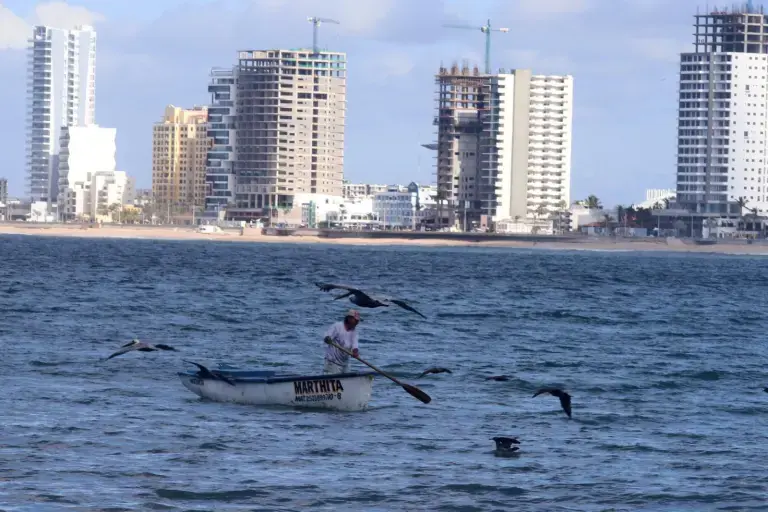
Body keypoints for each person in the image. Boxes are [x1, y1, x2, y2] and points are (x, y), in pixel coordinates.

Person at [322, 309, 361, 374]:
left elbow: (355, 344)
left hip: (344, 363)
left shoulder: (354, 331)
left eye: (358, 321)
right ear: (349, 319)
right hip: (332, 362)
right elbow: (327, 336)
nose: (357, 322)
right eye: (355, 320)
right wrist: (327, 339)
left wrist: (355, 352)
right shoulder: (337, 326)